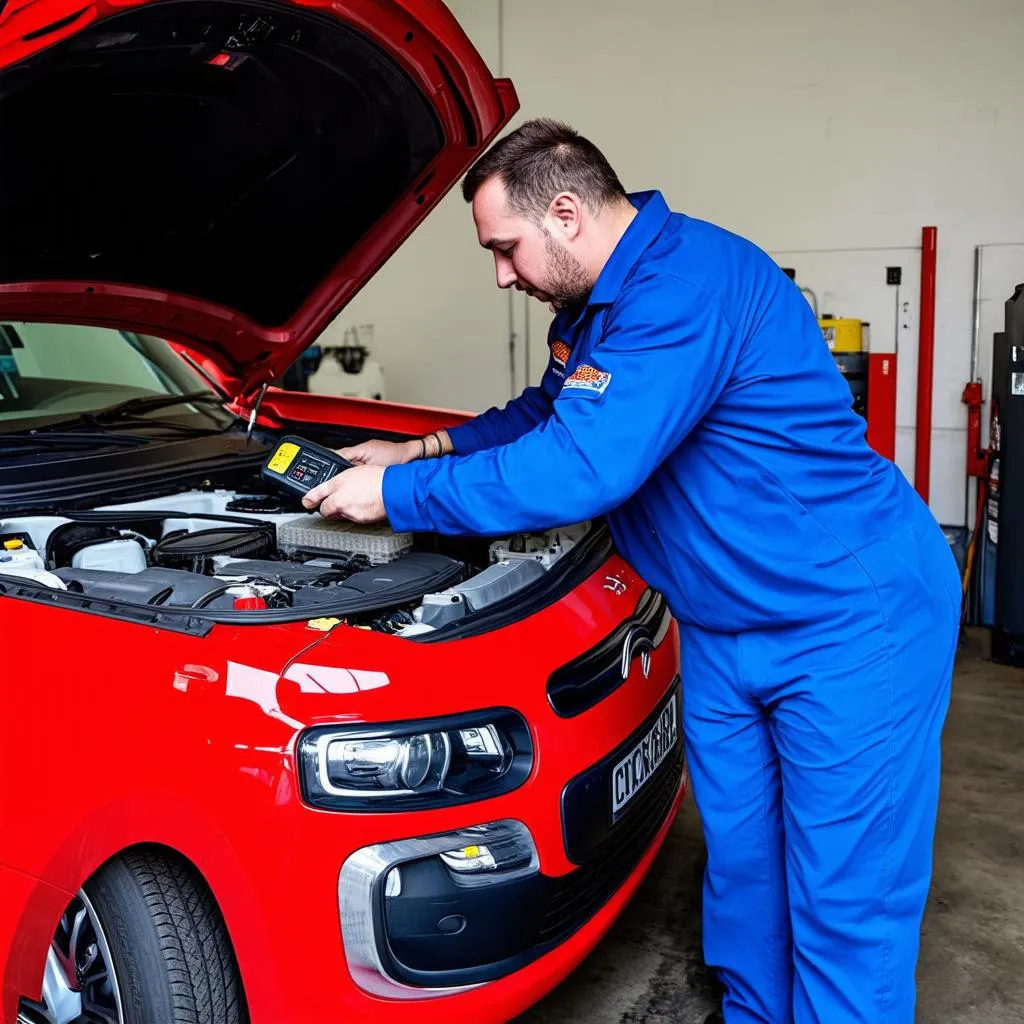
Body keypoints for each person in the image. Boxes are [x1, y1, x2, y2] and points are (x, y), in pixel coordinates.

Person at [302, 118, 961, 1024]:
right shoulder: (592, 308)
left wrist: (403, 494)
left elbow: (586, 466)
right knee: (745, 876)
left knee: (847, 897)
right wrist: (422, 445)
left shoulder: (688, 285)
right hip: (726, 622)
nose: (502, 274)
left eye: (506, 248)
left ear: (565, 212)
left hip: (850, 620)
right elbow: (547, 414)